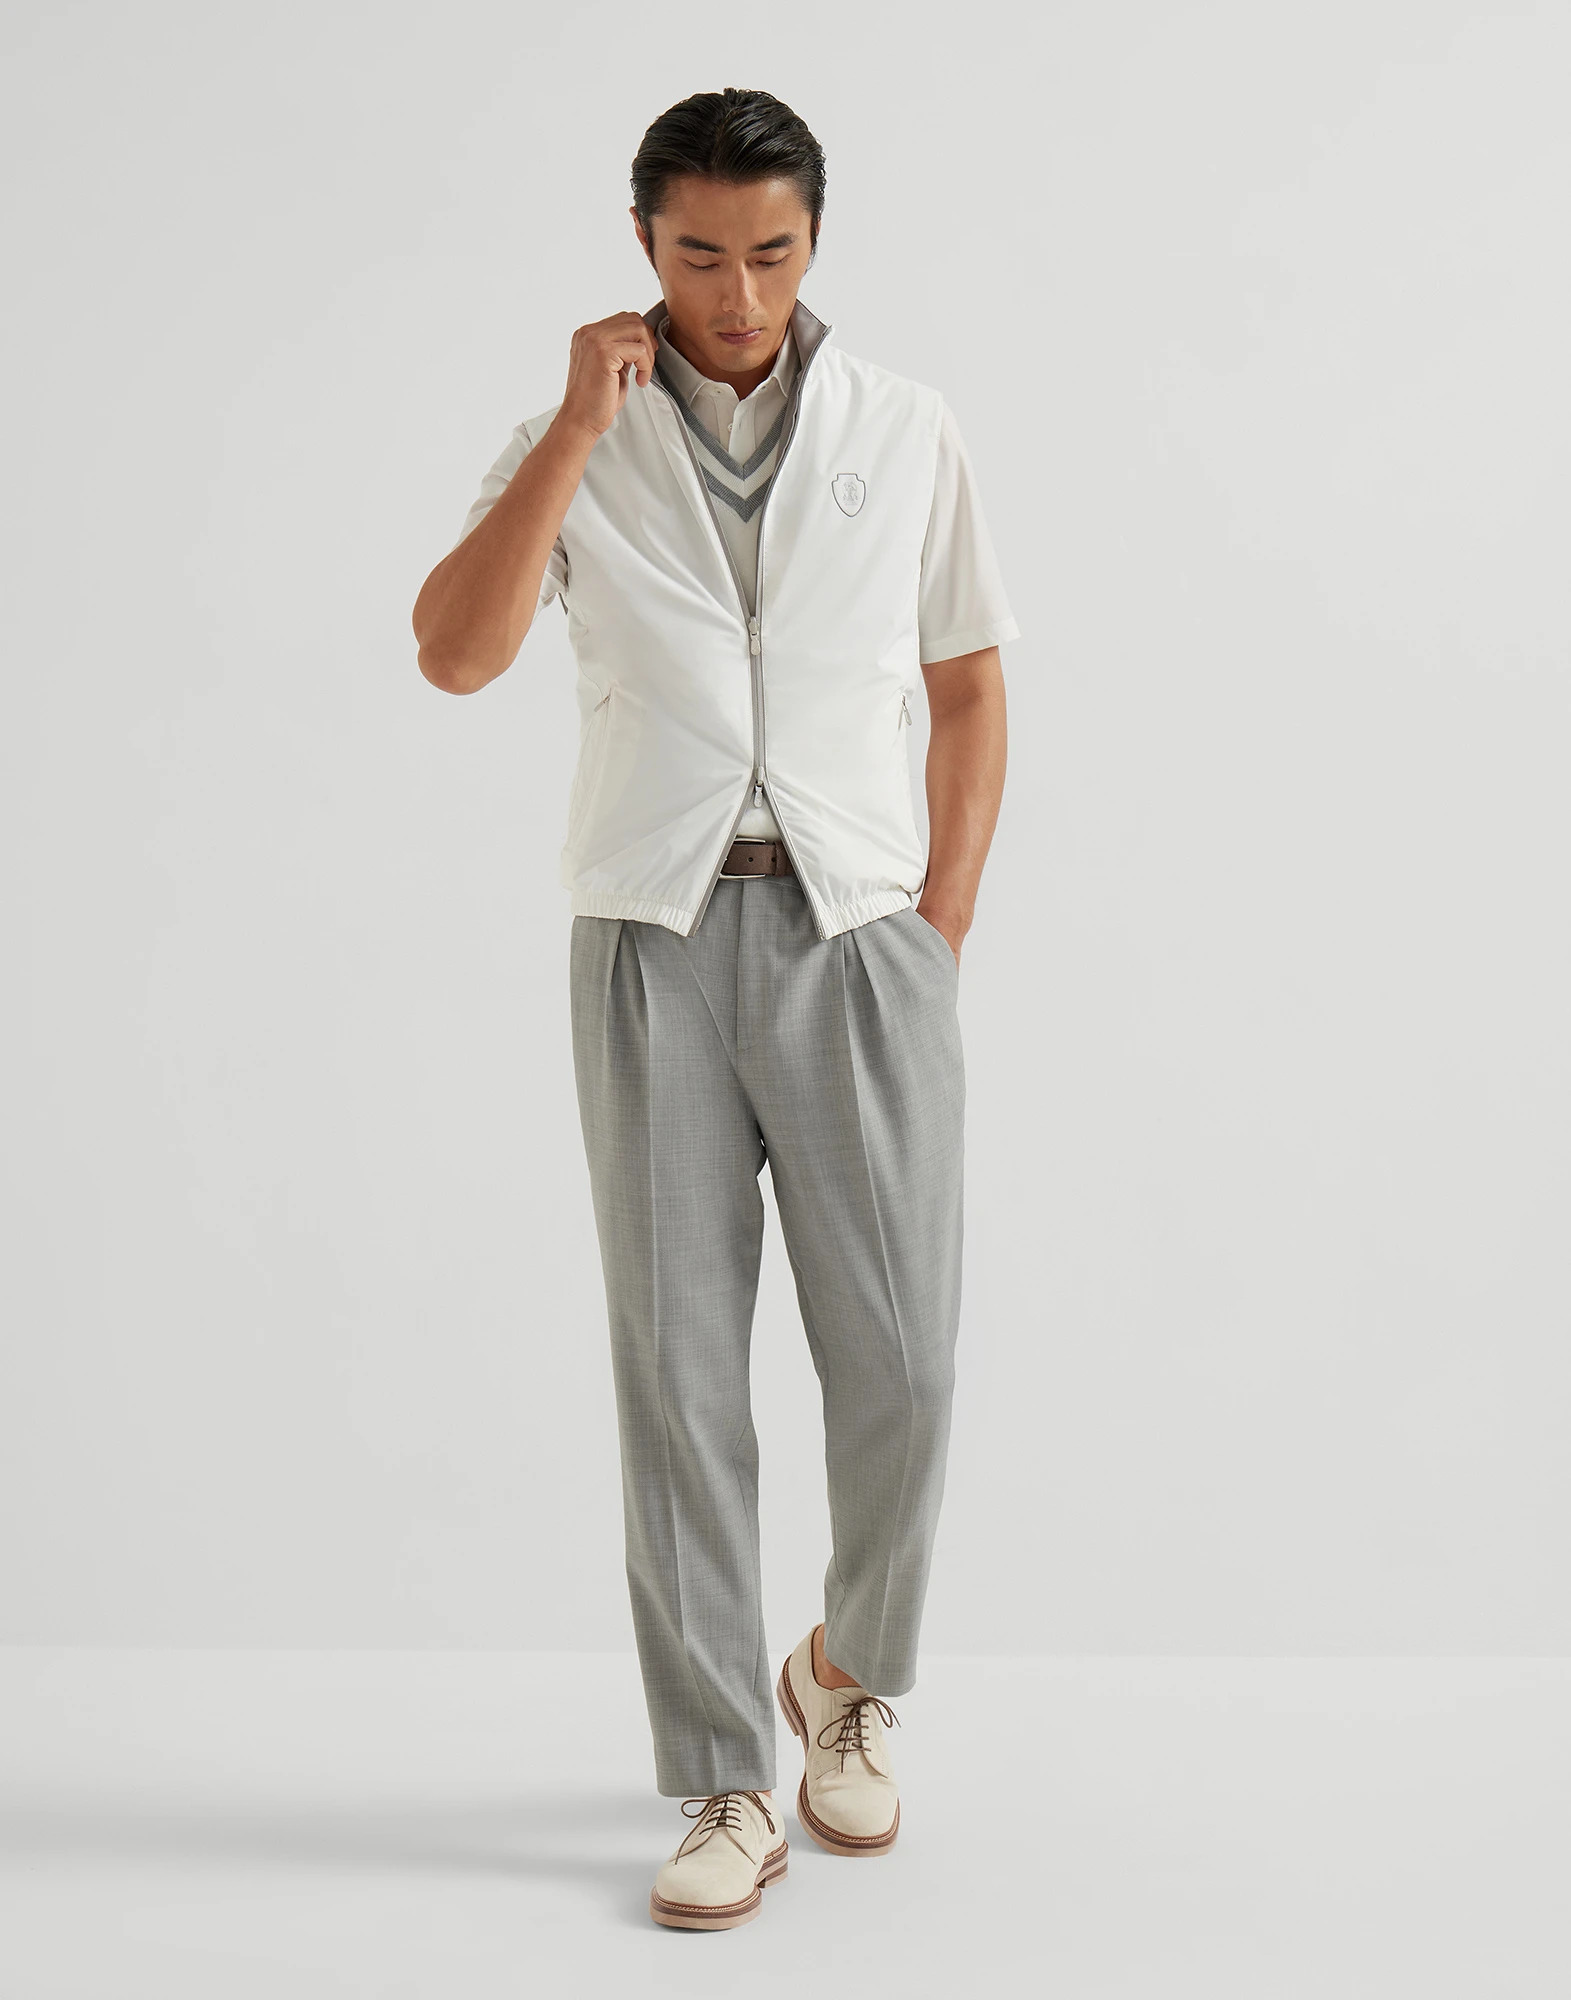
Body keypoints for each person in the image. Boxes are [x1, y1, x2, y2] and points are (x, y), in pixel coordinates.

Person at [412, 85, 1019, 1931]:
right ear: (642, 246)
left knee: (904, 1359)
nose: (737, 294)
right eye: (698, 255)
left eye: (770, 252)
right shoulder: (576, 440)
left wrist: (938, 925)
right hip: (652, 939)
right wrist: (573, 429)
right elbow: (455, 651)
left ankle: (847, 1672)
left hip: (858, 936)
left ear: (814, 240)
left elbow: (970, 686)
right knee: (677, 1378)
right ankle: (722, 1778)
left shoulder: (904, 428)